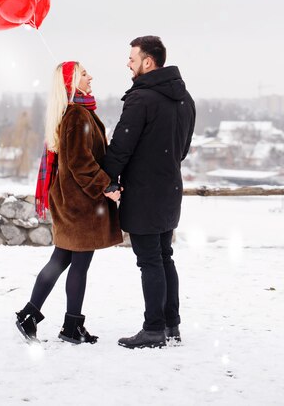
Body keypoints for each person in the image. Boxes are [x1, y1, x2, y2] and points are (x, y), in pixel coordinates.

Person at [15, 61, 122, 345]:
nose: (91, 77)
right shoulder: (77, 115)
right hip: (80, 203)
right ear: (72, 83)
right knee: (78, 263)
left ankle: (32, 316)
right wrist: (106, 186)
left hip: (73, 200)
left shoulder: (79, 113)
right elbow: (79, 162)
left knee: (62, 259)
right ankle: (70, 326)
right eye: (84, 74)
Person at [102, 36, 195, 349]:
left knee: (150, 261)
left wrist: (104, 176)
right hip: (169, 189)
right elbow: (181, 150)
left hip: (144, 193)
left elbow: (121, 148)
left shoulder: (141, 99)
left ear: (148, 62)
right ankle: (171, 325)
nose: (128, 63)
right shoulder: (185, 99)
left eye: (132, 58)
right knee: (164, 257)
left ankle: (153, 329)